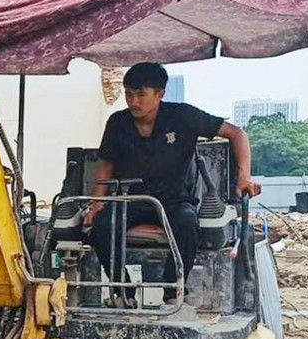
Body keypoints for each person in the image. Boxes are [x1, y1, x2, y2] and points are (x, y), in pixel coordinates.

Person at [84, 62, 261, 295]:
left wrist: (243, 177)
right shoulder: (117, 122)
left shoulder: (183, 116)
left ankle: (172, 288)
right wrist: (98, 203)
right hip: (130, 200)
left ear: (160, 94)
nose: (133, 102)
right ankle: (122, 289)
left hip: (174, 200)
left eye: (140, 95)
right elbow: (106, 163)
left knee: (187, 224)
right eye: (128, 95)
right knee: (102, 227)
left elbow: (236, 134)